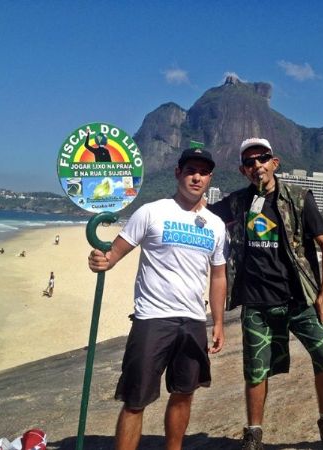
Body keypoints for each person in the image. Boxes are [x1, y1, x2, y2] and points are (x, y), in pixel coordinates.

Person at [208, 138, 323, 450]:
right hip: (257, 303)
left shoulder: (298, 198)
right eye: (250, 162)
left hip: (300, 299)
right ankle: (253, 434)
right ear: (243, 170)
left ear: (275, 162)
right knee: (255, 371)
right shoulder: (236, 203)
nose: (257, 166)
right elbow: (200, 212)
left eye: (262, 158)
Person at [88, 147, 227, 450]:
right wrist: (102, 260)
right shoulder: (151, 212)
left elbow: (218, 276)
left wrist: (218, 322)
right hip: (152, 319)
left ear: (210, 178)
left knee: (183, 393)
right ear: (178, 173)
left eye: (203, 173)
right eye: (191, 170)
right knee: (135, 400)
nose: (197, 177)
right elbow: (115, 253)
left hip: (192, 320)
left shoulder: (215, 225)